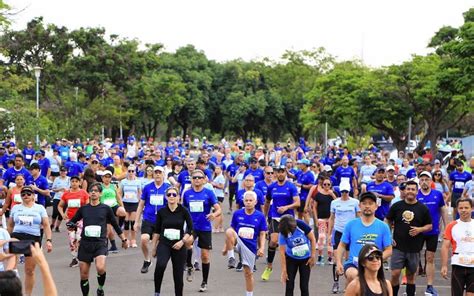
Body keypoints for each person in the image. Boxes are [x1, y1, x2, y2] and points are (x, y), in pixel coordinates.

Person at [66, 182, 128, 296]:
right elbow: (72, 221)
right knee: (84, 274)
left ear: (100, 194)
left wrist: (124, 239)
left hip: (100, 243)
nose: (93, 192)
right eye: (91, 190)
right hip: (85, 244)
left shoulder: (106, 209)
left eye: (96, 191)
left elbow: (115, 225)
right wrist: (70, 225)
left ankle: (100, 288)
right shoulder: (83, 209)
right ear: (89, 193)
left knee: (100, 268)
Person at [385, 180, 432, 296]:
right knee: (395, 274)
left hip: (414, 248)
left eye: (413, 189)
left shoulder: (423, 208)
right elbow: (387, 220)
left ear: (417, 191)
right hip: (397, 246)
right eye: (408, 189)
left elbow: (430, 226)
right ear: (404, 191)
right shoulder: (397, 206)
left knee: (411, 276)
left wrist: (420, 230)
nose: (410, 191)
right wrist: (389, 236)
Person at [335, 192, 392, 288]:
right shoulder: (351, 224)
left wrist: (376, 259)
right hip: (353, 264)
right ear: (359, 206)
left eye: (370, 203)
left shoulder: (383, 226)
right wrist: (338, 262)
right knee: (354, 276)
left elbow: (389, 249)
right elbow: (342, 245)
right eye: (364, 203)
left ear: (376, 206)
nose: (367, 206)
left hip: (373, 266)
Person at [7, 185, 53, 296]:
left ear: (33, 196)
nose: (26, 196)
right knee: (12, 267)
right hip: (17, 236)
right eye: (23, 194)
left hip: (33, 237)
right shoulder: (16, 208)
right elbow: (10, 225)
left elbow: (46, 225)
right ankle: (13, 292)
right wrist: (7, 239)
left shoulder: (39, 208)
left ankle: (28, 294)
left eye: (28, 194)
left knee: (29, 270)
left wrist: (49, 240)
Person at [182, 169, 222, 292]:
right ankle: (189, 266)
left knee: (205, 256)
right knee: (187, 242)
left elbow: (218, 209)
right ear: (192, 180)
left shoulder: (209, 193)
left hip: (204, 227)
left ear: (204, 179)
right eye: (195, 178)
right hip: (192, 226)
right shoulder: (187, 194)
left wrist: (214, 215)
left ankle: (204, 282)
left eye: (200, 177)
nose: (197, 180)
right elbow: (183, 210)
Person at [223, 191, 267, 296]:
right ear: (243, 201)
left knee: (248, 273)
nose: (248, 202)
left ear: (255, 202)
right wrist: (226, 247)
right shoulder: (237, 213)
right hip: (238, 242)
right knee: (229, 231)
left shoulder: (260, 216)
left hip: (250, 247)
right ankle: (231, 258)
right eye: (246, 200)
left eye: (250, 200)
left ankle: (249, 294)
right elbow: (232, 230)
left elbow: (262, 234)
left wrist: (261, 248)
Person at [151, 186, 193, 296]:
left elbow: (190, 228)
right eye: (169, 194)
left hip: (179, 244)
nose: (171, 196)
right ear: (166, 197)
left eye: (174, 194)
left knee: (178, 274)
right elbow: (157, 230)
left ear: (178, 197)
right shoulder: (162, 211)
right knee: (160, 265)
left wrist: (182, 241)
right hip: (165, 243)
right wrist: (154, 247)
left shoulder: (184, 211)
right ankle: (157, 292)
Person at [262, 165, 300, 281]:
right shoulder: (272, 187)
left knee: (289, 244)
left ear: (285, 173)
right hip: (275, 217)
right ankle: (269, 267)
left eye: (282, 172)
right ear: (275, 174)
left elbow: (297, 203)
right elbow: (267, 202)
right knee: (273, 241)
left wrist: (286, 207)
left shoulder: (291, 186)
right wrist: (264, 216)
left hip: (288, 218)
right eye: (278, 172)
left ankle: (289, 269)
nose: (280, 174)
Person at [416, 171, 448, 295]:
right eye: (422, 179)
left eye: (427, 179)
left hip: (433, 232)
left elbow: (443, 210)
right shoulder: (415, 195)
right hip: (417, 231)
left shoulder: (437, 194)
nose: (424, 181)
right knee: (414, 258)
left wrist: (446, 227)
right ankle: (411, 286)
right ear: (419, 182)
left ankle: (430, 286)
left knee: (430, 258)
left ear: (431, 181)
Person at [134, 165, 170, 273]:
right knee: (144, 239)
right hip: (148, 219)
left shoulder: (168, 187)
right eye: (156, 173)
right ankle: (147, 260)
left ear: (163, 174)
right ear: (153, 174)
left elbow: (173, 204)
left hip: (162, 220)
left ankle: (158, 263)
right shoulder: (147, 187)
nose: (158, 174)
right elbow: (141, 205)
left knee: (158, 246)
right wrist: (136, 221)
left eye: (160, 172)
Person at [328, 182, 360, 293]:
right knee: (337, 259)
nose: (344, 194)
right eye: (342, 192)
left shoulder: (355, 202)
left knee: (348, 260)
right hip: (338, 232)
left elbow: (358, 218)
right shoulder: (334, 202)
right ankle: (336, 282)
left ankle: (349, 285)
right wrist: (329, 234)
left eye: (346, 191)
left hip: (351, 233)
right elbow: (331, 218)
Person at [441, 198, 474, 296]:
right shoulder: (452, 225)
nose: (463, 210)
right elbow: (445, 246)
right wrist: (444, 265)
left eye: (466, 207)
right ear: (457, 209)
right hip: (458, 264)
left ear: (472, 209)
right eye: (461, 208)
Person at [278, 214, 316, 296]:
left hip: (305, 259)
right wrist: (284, 270)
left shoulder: (301, 224)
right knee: (289, 286)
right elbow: (282, 252)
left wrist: (312, 256)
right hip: (291, 259)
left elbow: (312, 239)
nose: (294, 227)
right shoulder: (283, 232)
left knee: (304, 286)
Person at [58, 175, 89, 268]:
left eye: (76, 181)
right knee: (72, 239)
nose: (74, 183)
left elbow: (87, 206)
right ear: (70, 183)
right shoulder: (66, 194)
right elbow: (60, 206)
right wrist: (62, 214)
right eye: (72, 181)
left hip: (81, 219)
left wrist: (86, 216)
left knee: (79, 238)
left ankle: (81, 256)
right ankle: (74, 258)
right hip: (70, 220)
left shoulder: (83, 193)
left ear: (79, 183)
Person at [311, 175, 337, 266]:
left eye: (328, 184)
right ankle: (320, 256)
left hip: (330, 219)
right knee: (321, 237)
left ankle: (330, 257)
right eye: (325, 184)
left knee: (330, 238)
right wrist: (315, 218)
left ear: (331, 185)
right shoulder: (318, 194)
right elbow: (314, 207)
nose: (326, 186)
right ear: (322, 185)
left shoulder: (333, 194)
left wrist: (332, 194)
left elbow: (338, 203)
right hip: (321, 218)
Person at [100, 169, 126, 253]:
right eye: (105, 177)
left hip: (114, 205)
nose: (107, 179)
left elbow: (118, 197)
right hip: (104, 208)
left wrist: (122, 206)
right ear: (102, 178)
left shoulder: (113, 186)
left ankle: (119, 224)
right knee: (109, 230)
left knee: (122, 212)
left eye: (109, 177)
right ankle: (112, 246)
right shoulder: (99, 186)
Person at [119, 164, 142, 247]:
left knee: (132, 223)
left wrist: (140, 204)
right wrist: (120, 204)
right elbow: (120, 193)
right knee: (126, 222)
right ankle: (126, 240)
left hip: (134, 203)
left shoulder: (138, 181)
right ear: (127, 172)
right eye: (129, 171)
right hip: (125, 203)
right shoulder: (123, 181)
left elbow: (140, 193)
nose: (131, 172)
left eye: (133, 171)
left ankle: (133, 240)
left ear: (135, 172)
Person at [50, 166, 70, 232]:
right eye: (62, 171)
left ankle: (57, 226)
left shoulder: (69, 179)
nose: (63, 172)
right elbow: (53, 189)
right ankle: (52, 224)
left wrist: (66, 191)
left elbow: (71, 189)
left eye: (64, 171)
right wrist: (59, 189)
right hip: (57, 197)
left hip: (65, 198)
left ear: (66, 172)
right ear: (60, 172)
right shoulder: (57, 179)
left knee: (61, 213)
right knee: (55, 212)